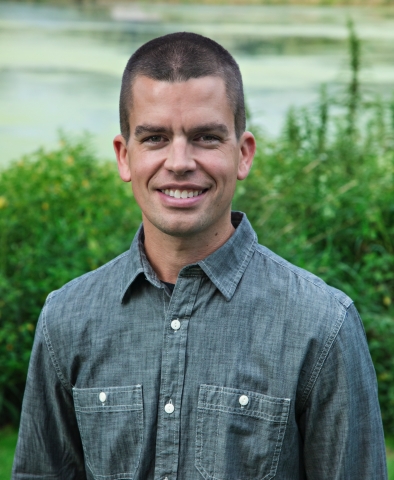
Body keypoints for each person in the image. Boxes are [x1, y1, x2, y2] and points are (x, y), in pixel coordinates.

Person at [12, 32, 387, 480]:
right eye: (154, 138)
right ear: (124, 156)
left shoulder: (322, 326)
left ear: (243, 154)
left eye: (206, 137)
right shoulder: (67, 320)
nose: (179, 161)